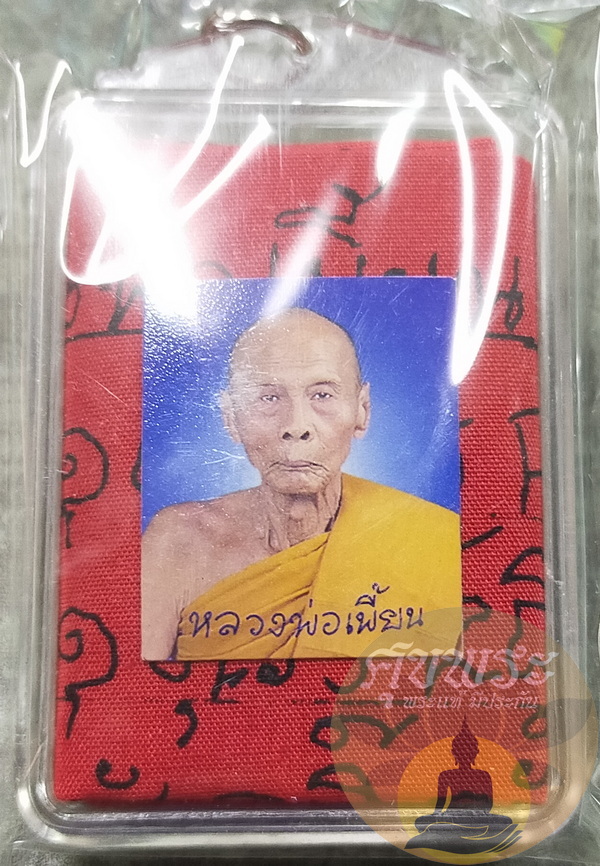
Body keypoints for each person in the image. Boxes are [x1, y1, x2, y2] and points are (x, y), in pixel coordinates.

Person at [141, 307, 462, 660]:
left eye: (322, 395)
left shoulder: (436, 540)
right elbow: (135, 684)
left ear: (362, 410)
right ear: (231, 417)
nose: (296, 426)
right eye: (268, 397)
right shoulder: (179, 542)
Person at [405, 719, 521, 855]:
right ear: (454, 752)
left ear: (475, 752)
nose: (464, 755)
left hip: (477, 817)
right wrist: (440, 815)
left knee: (506, 820)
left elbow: (488, 805)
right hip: (452, 816)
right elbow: (440, 805)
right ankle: (474, 838)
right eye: (460, 751)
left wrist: (473, 800)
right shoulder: (446, 775)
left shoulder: (483, 775)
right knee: (421, 821)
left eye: (469, 751)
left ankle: (449, 837)